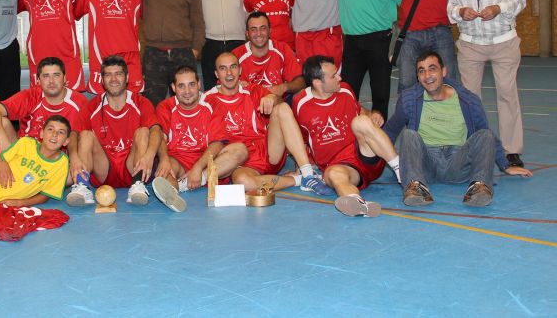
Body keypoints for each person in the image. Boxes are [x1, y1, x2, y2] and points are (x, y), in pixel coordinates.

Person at [383, 51, 532, 207]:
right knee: (408, 135)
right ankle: (416, 186)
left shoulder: (468, 100)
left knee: (485, 135)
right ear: (418, 77)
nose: (427, 75)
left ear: (444, 71)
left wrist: (506, 165)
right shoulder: (409, 99)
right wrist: (371, 162)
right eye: (421, 71)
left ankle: (479, 187)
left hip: (458, 163)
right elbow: (391, 131)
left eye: (432, 68)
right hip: (426, 164)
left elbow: (487, 136)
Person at [445, 0, 527, 168]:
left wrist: (498, 8)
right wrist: (460, 12)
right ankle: (475, 146)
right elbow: (450, 5)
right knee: (470, 99)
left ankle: (512, 151)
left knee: (507, 94)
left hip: (504, 40)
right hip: (470, 44)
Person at [201, 52, 331, 194]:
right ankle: (299, 180)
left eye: (233, 67)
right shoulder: (207, 100)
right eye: (223, 68)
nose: (229, 73)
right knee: (243, 182)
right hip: (239, 162)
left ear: (240, 70)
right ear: (216, 73)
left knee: (282, 108)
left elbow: (281, 105)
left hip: (269, 153)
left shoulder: (253, 90)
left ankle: (308, 173)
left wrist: (272, 97)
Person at [294, 55, 402, 217]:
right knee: (333, 174)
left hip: (364, 153)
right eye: (333, 76)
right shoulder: (301, 104)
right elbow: (299, 139)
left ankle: (403, 172)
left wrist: (372, 115)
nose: (340, 77)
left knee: (361, 122)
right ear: (317, 83)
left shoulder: (345, 90)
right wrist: (301, 168)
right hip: (345, 169)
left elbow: (359, 111)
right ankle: (357, 203)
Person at [67, 56, 163, 206]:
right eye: (108, 75)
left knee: (144, 131)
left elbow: (156, 130)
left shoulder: (141, 102)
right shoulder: (92, 106)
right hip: (103, 168)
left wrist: (150, 155)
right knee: (85, 135)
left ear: (127, 77)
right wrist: (73, 157)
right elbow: (73, 133)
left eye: (118, 74)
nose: (113, 79)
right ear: (102, 80)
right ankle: (82, 187)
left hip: (133, 165)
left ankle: (138, 185)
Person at [151, 65, 248, 211]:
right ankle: (172, 191)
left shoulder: (213, 104)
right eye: (181, 86)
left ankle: (185, 184)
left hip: (207, 162)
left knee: (240, 150)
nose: (187, 91)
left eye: (191, 85)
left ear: (199, 84)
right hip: (177, 161)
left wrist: (198, 168)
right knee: (165, 167)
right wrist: (164, 159)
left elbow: (217, 143)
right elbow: (160, 137)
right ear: (173, 87)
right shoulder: (165, 106)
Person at [0, 57, 87, 175]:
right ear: (38, 80)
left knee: (86, 137)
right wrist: (3, 139)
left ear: (65, 78)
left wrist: (74, 157)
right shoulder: (30, 95)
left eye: (56, 75)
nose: (51, 81)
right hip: (24, 154)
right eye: (46, 76)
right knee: (0, 122)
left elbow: (76, 135)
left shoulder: (78, 101)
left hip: (57, 159)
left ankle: (78, 182)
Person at [141, 0, 206, 107]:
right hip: (153, 54)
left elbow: (198, 22)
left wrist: (195, 51)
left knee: (187, 103)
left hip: (182, 53)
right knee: (150, 104)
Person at [77, 0, 144, 95]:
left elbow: (149, 14)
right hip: (101, 60)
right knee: (103, 111)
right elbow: (76, 12)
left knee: (132, 108)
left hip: (130, 60)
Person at [190, 0, 248, 90]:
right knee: (211, 88)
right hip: (210, 43)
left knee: (240, 87)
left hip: (238, 42)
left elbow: (250, 6)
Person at [232, 12, 304, 97]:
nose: (259, 33)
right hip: (248, 105)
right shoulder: (236, 55)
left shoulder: (282, 49)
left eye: (263, 28)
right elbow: (222, 86)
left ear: (270, 31)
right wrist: (235, 85)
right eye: (253, 29)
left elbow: (301, 82)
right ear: (247, 34)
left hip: (278, 104)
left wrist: (284, 87)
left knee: (301, 94)